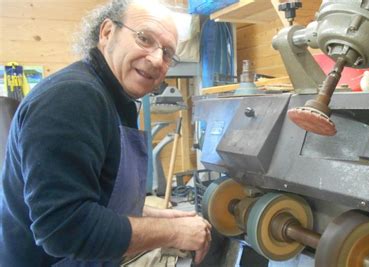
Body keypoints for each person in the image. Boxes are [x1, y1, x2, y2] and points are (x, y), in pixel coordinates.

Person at [0, 0, 212, 266]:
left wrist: (152, 217)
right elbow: (64, 229)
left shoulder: (111, 96)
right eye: (144, 39)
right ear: (107, 33)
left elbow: (96, 194)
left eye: (168, 52)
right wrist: (173, 232)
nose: (157, 59)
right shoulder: (73, 97)